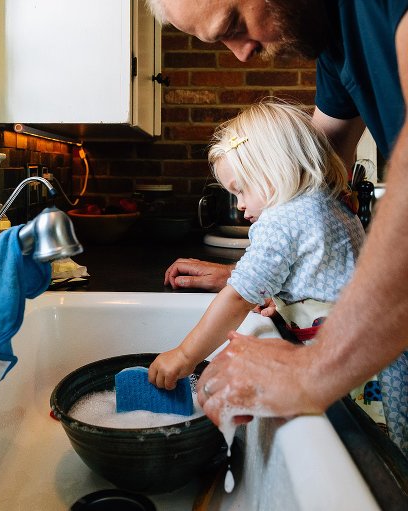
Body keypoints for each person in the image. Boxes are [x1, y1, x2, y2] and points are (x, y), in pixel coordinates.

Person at [145, 0, 408, 455]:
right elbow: (321, 167)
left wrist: (187, 356)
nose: (241, 54)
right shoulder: (335, 44)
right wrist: (251, 274)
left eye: (233, 23)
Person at [149, 101, 364, 392]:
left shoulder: (281, 219)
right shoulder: (330, 202)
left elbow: (239, 297)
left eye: (241, 189)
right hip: (368, 349)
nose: (239, 205)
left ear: (273, 170)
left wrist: (185, 355)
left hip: (343, 365)